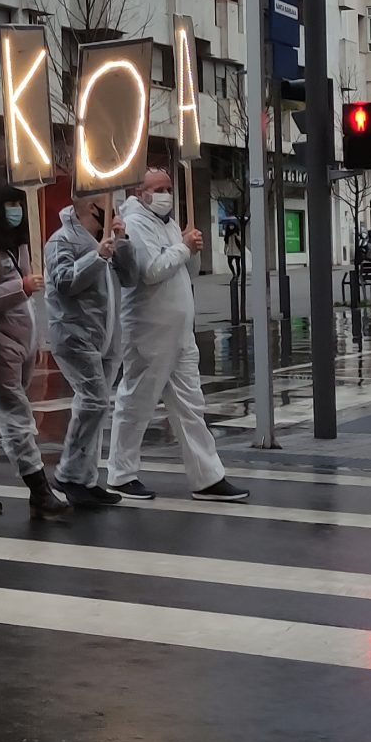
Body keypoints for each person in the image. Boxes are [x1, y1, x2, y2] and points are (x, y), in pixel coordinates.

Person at [107, 167, 248, 503]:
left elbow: (182, 269)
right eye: (157, 188)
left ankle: (207, 476)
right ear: (140, 192)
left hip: (179, 332)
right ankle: (120, 474)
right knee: (137, 402)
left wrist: (189, 249)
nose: (165, 194)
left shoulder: (168, 223)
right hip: (149, 330)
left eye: (168, 187)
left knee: (190, 405)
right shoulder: (135, 222)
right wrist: (184, 248)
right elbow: (150, 271)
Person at [0, 183, 67, 521]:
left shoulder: (15, 247)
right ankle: (38, 488)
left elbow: (24, 301)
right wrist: (20, 286)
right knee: (17, 419)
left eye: (18, 205)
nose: (16, 211)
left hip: (20, 343)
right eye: (9, 204)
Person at [44, 192, 131, 510]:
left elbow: (131, 275)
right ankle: (69, 474)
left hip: (107, 337)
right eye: (109, 207)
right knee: (93, 402)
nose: (115, 212)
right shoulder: (61, 241)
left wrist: (122, 242)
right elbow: (65, 282)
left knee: (95, 407)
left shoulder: (106, 239)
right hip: (74, 335)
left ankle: (85, 479)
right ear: (92, 209)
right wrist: (98, 255)